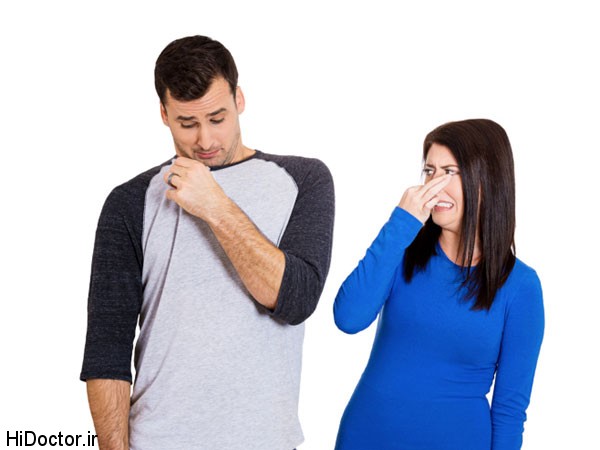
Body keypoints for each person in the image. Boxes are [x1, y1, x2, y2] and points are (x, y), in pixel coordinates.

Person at [80, 35, 335, 450]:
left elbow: (295, 299)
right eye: (187, 123)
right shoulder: (130, 202)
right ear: (164, 114)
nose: (205, 140)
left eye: (217, 118)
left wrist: (215, 205)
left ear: (239, 99)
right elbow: (107, 351)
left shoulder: (303, 180)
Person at [333, 119, 544, 449]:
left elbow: (509, 411)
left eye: (449, 172)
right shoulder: (401, 249)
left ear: (487, 179)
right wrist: (401, 223)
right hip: (366, 438)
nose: (434, 185)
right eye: (429, 171)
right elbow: (348, 317)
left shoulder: (521, 287)